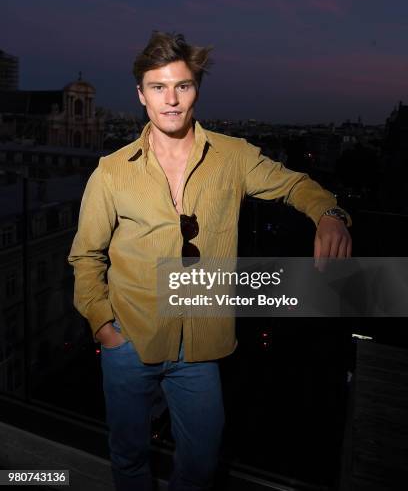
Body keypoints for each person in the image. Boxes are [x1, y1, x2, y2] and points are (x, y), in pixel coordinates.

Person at [68, 31, 352, 491]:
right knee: (128, 454)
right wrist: (104, 326)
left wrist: (330, 214)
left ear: (196, 90)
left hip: (200, 348)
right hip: (130, 341)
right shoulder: (112, 170)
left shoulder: (232, 158)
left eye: (182, 85)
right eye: (158, 87)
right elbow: (86, 255)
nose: (172, 100)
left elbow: (296, 185)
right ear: (141, 95)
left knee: (201, 463)